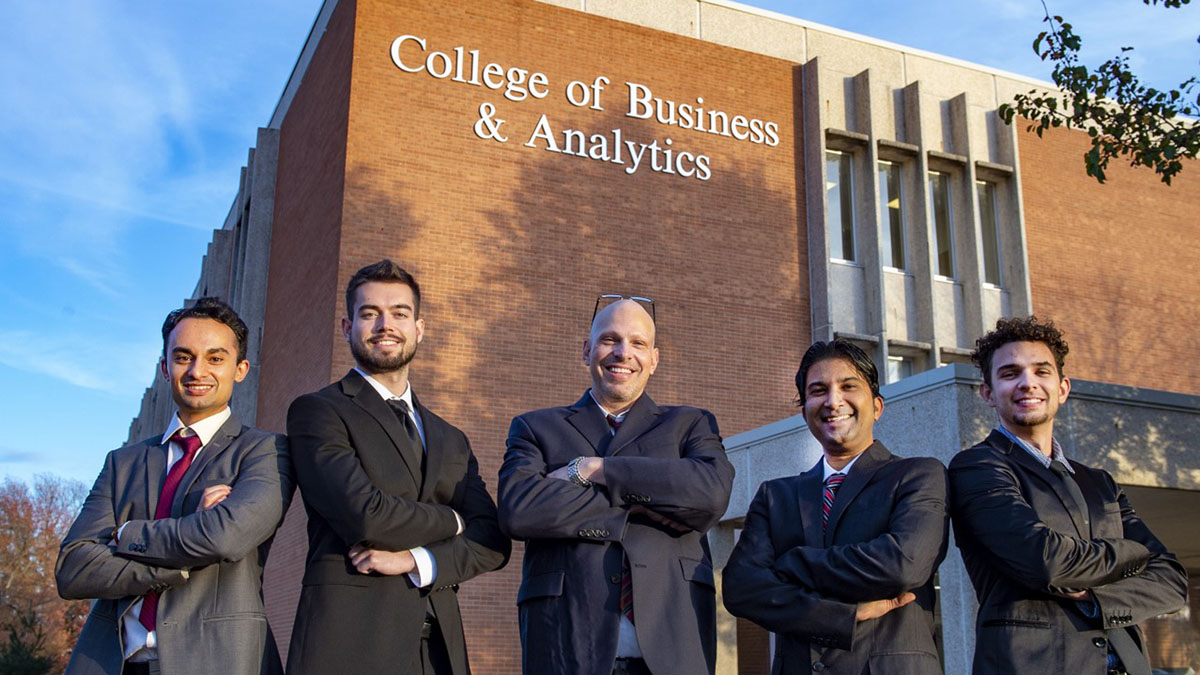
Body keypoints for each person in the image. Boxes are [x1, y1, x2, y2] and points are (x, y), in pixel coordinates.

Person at [285, 259, 509, 675]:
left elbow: (494, 540)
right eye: (370, 314)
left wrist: (415, 560)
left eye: (399, 314)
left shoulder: (450, 437)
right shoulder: (318, 412)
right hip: (350, 647)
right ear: (346, 326)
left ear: (419, 329)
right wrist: (456, 521)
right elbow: (367, 516)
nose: (385, 325)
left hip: (440, 652)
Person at [498, 296, 734, 675]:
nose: (623, 353)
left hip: (674, 645)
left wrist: (594, 470)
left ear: (654, 360)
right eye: (610, 340)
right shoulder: (534, 428)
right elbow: (519, 509)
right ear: (587, 351)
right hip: (566, 646)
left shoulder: (691, 424)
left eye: (638, 343)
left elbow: (710, 494)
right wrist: (647, 499)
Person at [56, 297, 293, 675]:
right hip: (111, 663)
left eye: (215, 358)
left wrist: (127, 535)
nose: (197, 370)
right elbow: (74, 568)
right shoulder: (123, 462)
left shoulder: (266, 451)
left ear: (240, 369)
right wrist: (180, 555)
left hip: (217, 662)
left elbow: (224, 539)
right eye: (183, 357)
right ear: (165, 368)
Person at [950, 316, 1187, 674]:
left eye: (1041, 372)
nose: (1028, 383)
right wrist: (1134, 553)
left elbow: (1172, 579)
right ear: (988, 393)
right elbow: (1045, 561)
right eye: (1010, 373)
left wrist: (1097, 600)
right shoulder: (976, 467)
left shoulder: (1100, 483)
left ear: (1062, 388)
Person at [722, 339, 948, 674]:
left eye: (848, 386)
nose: (833, 400)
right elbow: (741, 588)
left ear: (877, 405)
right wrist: (842, 617)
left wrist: (794, 562)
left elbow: (902, 564)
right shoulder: (776, 496)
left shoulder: (918, 476)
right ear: (804, 411)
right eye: (818, 390)